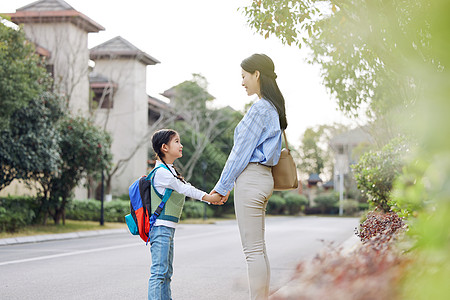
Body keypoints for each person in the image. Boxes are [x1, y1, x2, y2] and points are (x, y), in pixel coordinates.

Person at [211, 53, 287, 300]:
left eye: (244, 76)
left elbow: (239, 153)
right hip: (264, 179)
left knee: (253, 251)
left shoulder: (260, 109)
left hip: (252, 178)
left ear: (256, 74)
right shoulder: (274, 108)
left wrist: (222, 187)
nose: (242, 82)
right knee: (259, 249)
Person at [148, 129, 224, 300]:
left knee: (166, 273)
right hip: (160, 229)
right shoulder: (161, 173)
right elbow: (186, 189)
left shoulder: (170, 170)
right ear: (164, 147)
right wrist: (211, 198)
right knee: (159, 273)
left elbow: (186, 186)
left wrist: (210, 198)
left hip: (166, 229)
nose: (181, 145)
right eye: (176, 142)